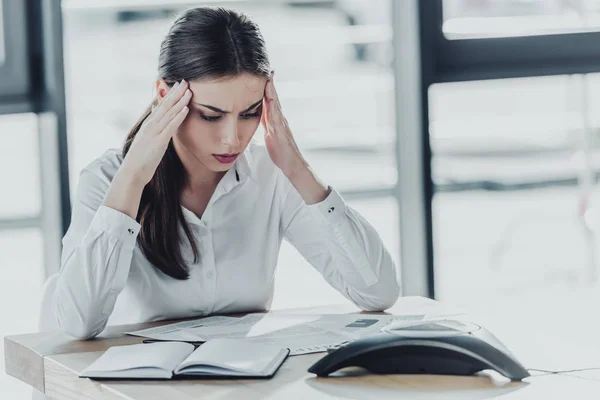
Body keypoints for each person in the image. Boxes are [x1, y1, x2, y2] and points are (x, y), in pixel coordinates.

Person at [53, 6, 400, 340]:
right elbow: (77, 322)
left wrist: (299, 169)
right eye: (211, 115)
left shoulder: (272, 176)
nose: (233, 138)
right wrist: (131, 181)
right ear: (165, 95)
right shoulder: (106, 179)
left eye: (249, 113)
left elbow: (377, 293)